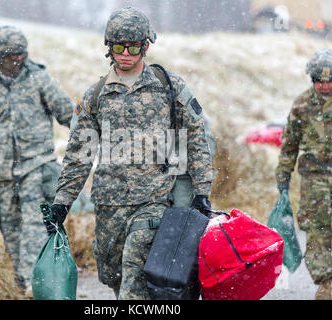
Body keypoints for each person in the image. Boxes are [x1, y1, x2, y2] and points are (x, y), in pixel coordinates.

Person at [46, 7, 215, 300]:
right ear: (108, 47)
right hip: (109, 204)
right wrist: (62, 203)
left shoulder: (169, 87)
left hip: (154, 202)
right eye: (118, 46)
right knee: (115, 277)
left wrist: (202, 191)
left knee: (134, 281)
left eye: (133, 47)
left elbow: (197, 138)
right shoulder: (95, 96)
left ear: (145, 46)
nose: (125, 53)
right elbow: (79, 155)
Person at [0, 25, 74, 293]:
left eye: (21, 54)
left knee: (34, 228)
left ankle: (36, 286)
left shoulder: (40, 79)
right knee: (12, 232)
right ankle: (22, 284)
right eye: (11, 55)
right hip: (4, 175)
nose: (18, 59)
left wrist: (88, 140)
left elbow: (68, 113)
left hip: (36, 168)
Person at [276, 49, 332, 300]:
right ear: (312, 80)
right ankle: (323, 283)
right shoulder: (301, 105)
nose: (325, 86)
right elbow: (290, 143)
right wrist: (283, 176)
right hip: (313, 175)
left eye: (330, 81)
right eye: (320, 81)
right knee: (317, 231)